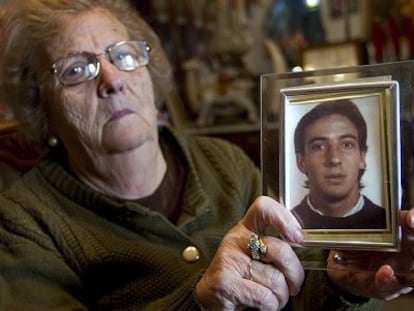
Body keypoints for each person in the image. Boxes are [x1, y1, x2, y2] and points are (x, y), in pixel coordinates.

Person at [0, 0, 413, 310]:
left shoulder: (225, 162)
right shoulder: (22, 222)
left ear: (148, 71)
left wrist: (341, 285)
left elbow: (296, 294)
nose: (111, 79)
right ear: (40, 105)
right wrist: (199, 302)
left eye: (123, 56)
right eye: (75, 70)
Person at [291, 99, 386, 229]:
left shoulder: (390, 226)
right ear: (301, 161)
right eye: (319, 146)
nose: (334, 159)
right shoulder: (282, 226)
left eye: (347, 144)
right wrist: (254, 244)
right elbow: (259, 248)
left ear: (362, 157)